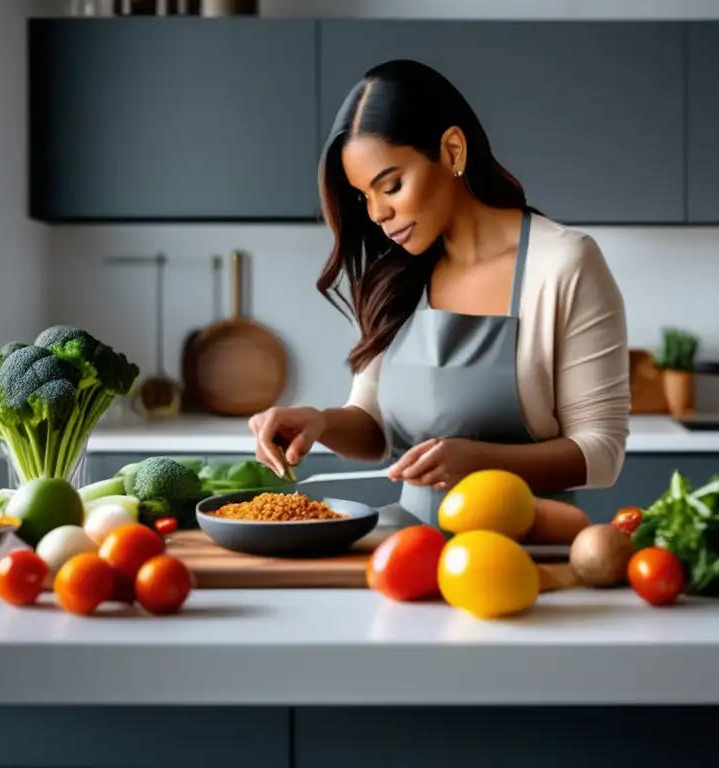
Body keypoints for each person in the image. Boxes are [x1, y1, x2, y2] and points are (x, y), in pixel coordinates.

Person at [249, 59, 630, 528]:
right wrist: (320, 422)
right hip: (409, 552)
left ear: (451, 151)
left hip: (528, 550)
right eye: (364, 196)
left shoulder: (563, 264)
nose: (378, 214)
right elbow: (376, 428)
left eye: (391, 185)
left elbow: (602, 452)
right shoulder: (395, 277)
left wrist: (482, 461)